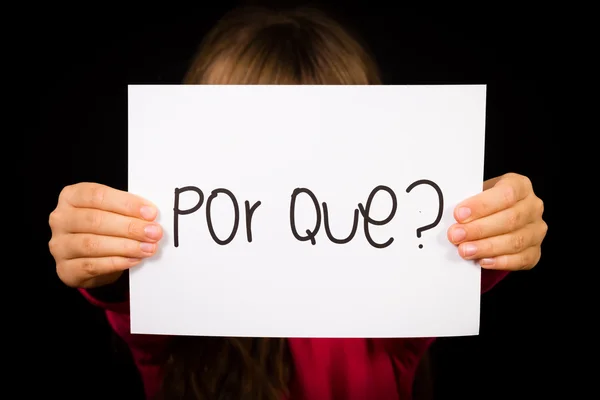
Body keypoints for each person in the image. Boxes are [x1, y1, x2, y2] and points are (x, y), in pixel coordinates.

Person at [48, 6, 548, 400]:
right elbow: (128, 295)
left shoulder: (387, 319)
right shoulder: (178, 314)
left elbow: (450, 261)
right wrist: (100, 247)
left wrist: (495, 222)